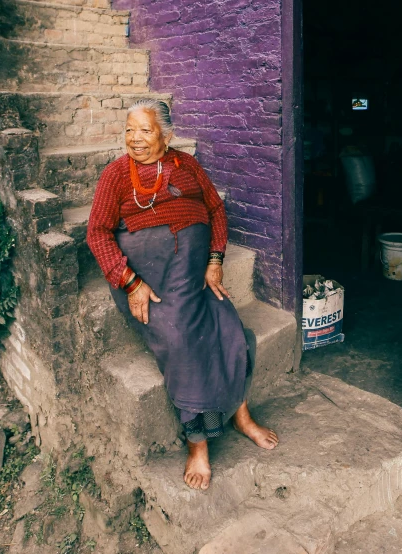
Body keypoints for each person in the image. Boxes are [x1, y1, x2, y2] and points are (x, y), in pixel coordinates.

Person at [86, 98, 278, 490]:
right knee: (182, 339)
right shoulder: (116, 175)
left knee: (231, 330)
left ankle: (240, 413)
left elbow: (216, 210)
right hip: (149, 280)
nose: (134, 139)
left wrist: (214, 260)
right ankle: (198, 443)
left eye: (145, 130)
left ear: (167, 135)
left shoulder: (186, 166)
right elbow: (98, 233)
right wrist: (130, 281)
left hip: (194, 273)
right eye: (129, 129)